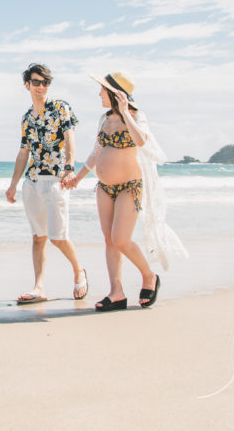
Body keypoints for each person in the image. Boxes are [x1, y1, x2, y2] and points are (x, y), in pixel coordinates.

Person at [64, 72, 187, 311]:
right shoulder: (104, 118)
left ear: (115, 93)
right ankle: (116, 292)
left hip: (129, 187)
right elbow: (96, 151)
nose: (99, 93)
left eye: (102, 89)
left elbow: (142, 141)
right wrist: (78, 178)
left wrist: (125, 111)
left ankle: (149, 276)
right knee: (109, 240)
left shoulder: (138, 117)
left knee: (121, 238)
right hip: (105, 188)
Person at [5, 63, 88, 304]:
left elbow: (70, 139)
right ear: (27, 85)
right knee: (38, 236)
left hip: (56, 180)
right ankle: (39, 287)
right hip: (32, 182)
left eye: (45, 82)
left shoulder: (61, 108)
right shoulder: (26, 118)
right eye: (36, 82)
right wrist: (13, 184)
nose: (41, 86)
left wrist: (70, 168)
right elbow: (23, 152)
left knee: (58, 236)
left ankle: (78, 271)